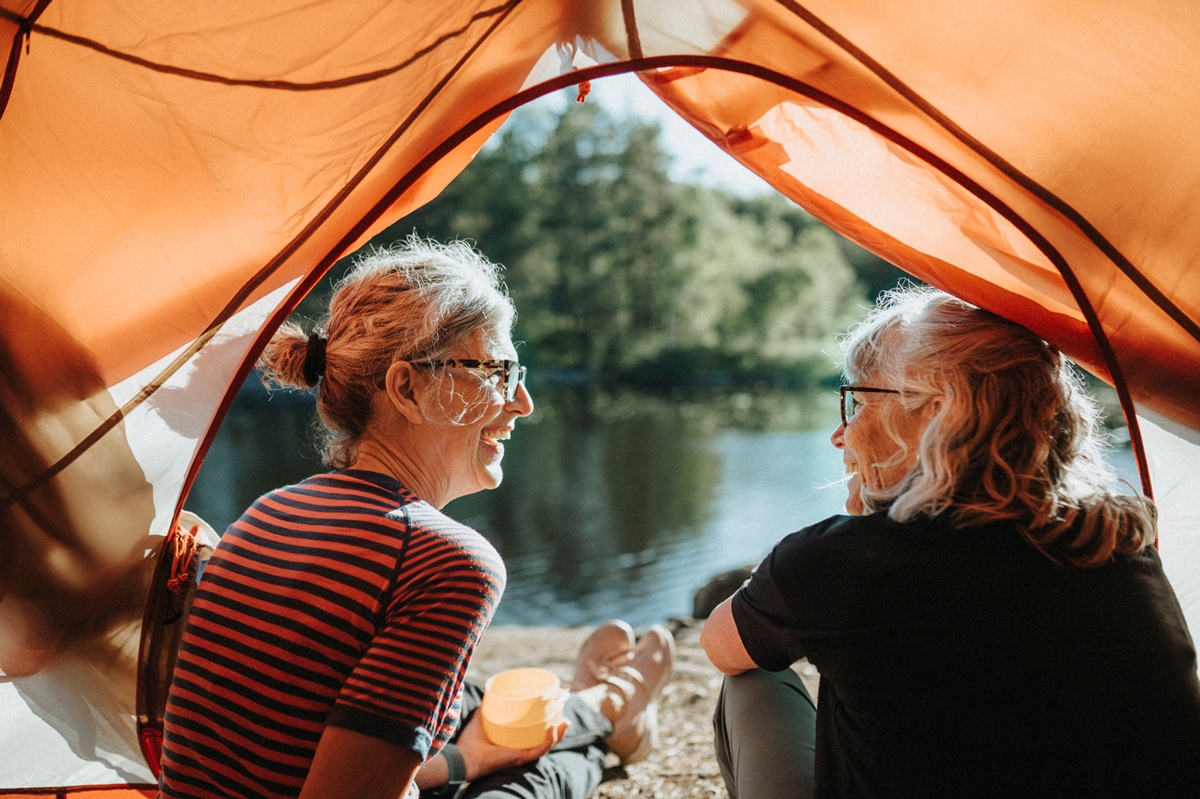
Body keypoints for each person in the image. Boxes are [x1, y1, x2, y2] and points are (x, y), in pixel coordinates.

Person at [158, 239, 673, 799]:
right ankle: (608, 724)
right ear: (408, 388)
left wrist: (458, 758)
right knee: (536, 776)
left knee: (469, 702)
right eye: (497, 371)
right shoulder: (447, 561)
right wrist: (467, 763)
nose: (523, 402)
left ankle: (600, 703)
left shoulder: (267, 511)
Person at [700, 286, 1200, 798]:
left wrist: (853, 534)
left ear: (937, 414)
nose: (839, 435)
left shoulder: (846, 563)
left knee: (752, 677)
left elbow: (719, 645)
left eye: (856, 401)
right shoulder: (1119, 546)